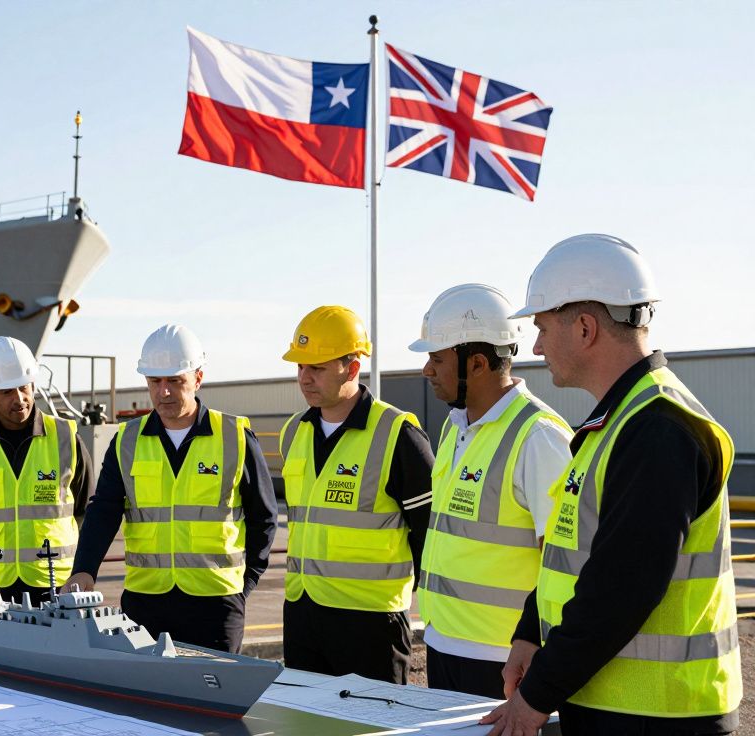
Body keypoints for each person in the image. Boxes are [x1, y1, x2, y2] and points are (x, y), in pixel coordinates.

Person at [481, 234, 741, 735]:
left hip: (662, 717)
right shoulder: (619, 422)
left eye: (541, 327)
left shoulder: (658, 429)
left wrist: (536, 697)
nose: (534, 347)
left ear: (583, 328)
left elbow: (622, 586)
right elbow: (571, 552)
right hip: (617, 708)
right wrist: (529, 634)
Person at [64, 324, 277, 654]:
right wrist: (83, 570)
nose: (164, 391)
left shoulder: (234, 437)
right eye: (155, 381)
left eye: (175, 381)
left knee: (215, 701)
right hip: (146, 602)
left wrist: (245, 585)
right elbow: (103, 511)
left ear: (198, 378)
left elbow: (264, 517)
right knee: (145, 698)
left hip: (216, 604)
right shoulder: (127, 441)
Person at [406, 284, 571, 699]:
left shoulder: (539, 437)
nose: (427, 370)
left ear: (476, 363)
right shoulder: (454, 426)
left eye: (436, 358)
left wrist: (535, 645)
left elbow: (564, 562)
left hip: (503, 660)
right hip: (445, 643)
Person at [277, 305, 434, 684]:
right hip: (302, 614)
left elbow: (429, 535)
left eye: (316, 367)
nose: (304, 377)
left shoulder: (398, 436)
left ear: (351, 367)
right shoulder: (293, 432)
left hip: (371, 624)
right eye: (300, 366)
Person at [0, 336, 94, 602]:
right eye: (7, 392)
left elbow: (85, 508)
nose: (19, 399)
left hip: (55, 580)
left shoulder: (65, 437)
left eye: (24, 388)